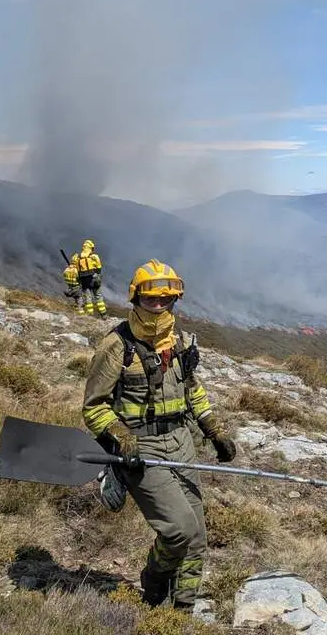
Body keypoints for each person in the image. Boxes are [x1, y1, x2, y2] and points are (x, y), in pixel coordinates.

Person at [81, 258, 237, 610]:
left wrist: (214, 430)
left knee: (197, 537)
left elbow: (192, 390)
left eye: (165, 300)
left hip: (181, 443)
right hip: (142, 448)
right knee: (179, 529)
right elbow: (93, 406)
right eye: (151, 299)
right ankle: (153, 582)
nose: (158, 305)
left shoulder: (178, 341)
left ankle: (181, 612)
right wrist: (121, 436)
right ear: (135, 298)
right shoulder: (116, 346)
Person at [75, 239, 107, 317]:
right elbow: (99, 268)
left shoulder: (78, 258)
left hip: (84, 281)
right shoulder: (94, 256)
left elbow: (77, 271)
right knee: (98, 295)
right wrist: (97, 275)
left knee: (87, 297)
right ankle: (103, 314)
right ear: (91, 248)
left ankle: (90, 314)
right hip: (94, 279)